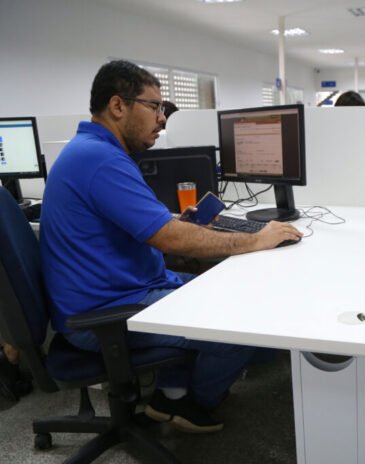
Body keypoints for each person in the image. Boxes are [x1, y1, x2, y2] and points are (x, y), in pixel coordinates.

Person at [40, 60, 302, 433]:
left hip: (124, 290)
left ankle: (171, 394)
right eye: (155, 107)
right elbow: (167, 239)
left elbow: (145, 224)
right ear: (118, 106)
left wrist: (177, 222)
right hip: (105, 314)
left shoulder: (94, 151)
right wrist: (257, 239)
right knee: (240, 323)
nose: (163, 118)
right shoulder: (100, 160)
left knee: (219, 287)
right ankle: (193, 405)